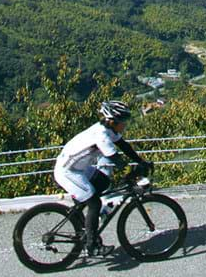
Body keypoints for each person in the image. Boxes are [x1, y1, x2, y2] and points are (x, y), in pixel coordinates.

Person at [53, 100, 151, 258]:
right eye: (123, 121)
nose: (125, 125)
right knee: (94, 202)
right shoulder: (102, 136)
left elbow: (124, 146)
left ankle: (84, 218)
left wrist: (141, 161)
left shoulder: (109, 128)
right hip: (67, 172)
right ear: (113, 120)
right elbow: (117, 160)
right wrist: (135, 173)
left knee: (104, 182)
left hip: (80, 169)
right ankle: (92, 245)